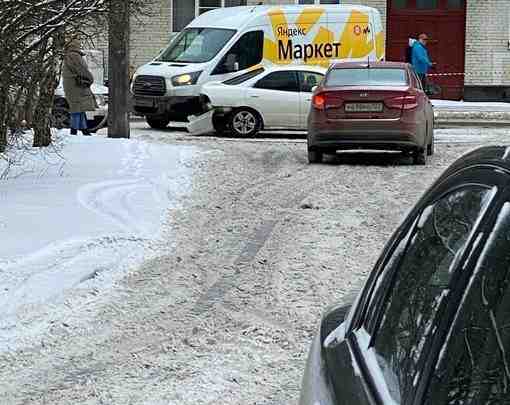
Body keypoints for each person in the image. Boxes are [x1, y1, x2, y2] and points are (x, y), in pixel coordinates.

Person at [62, 38, 97, 135]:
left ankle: (84, 129)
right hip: (76, 86)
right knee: (76, 108)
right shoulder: (73, 55)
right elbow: (81, 69)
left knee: (79, 108)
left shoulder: (70, 55)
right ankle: (75, 130)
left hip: (73, 85)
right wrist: (90, 78)